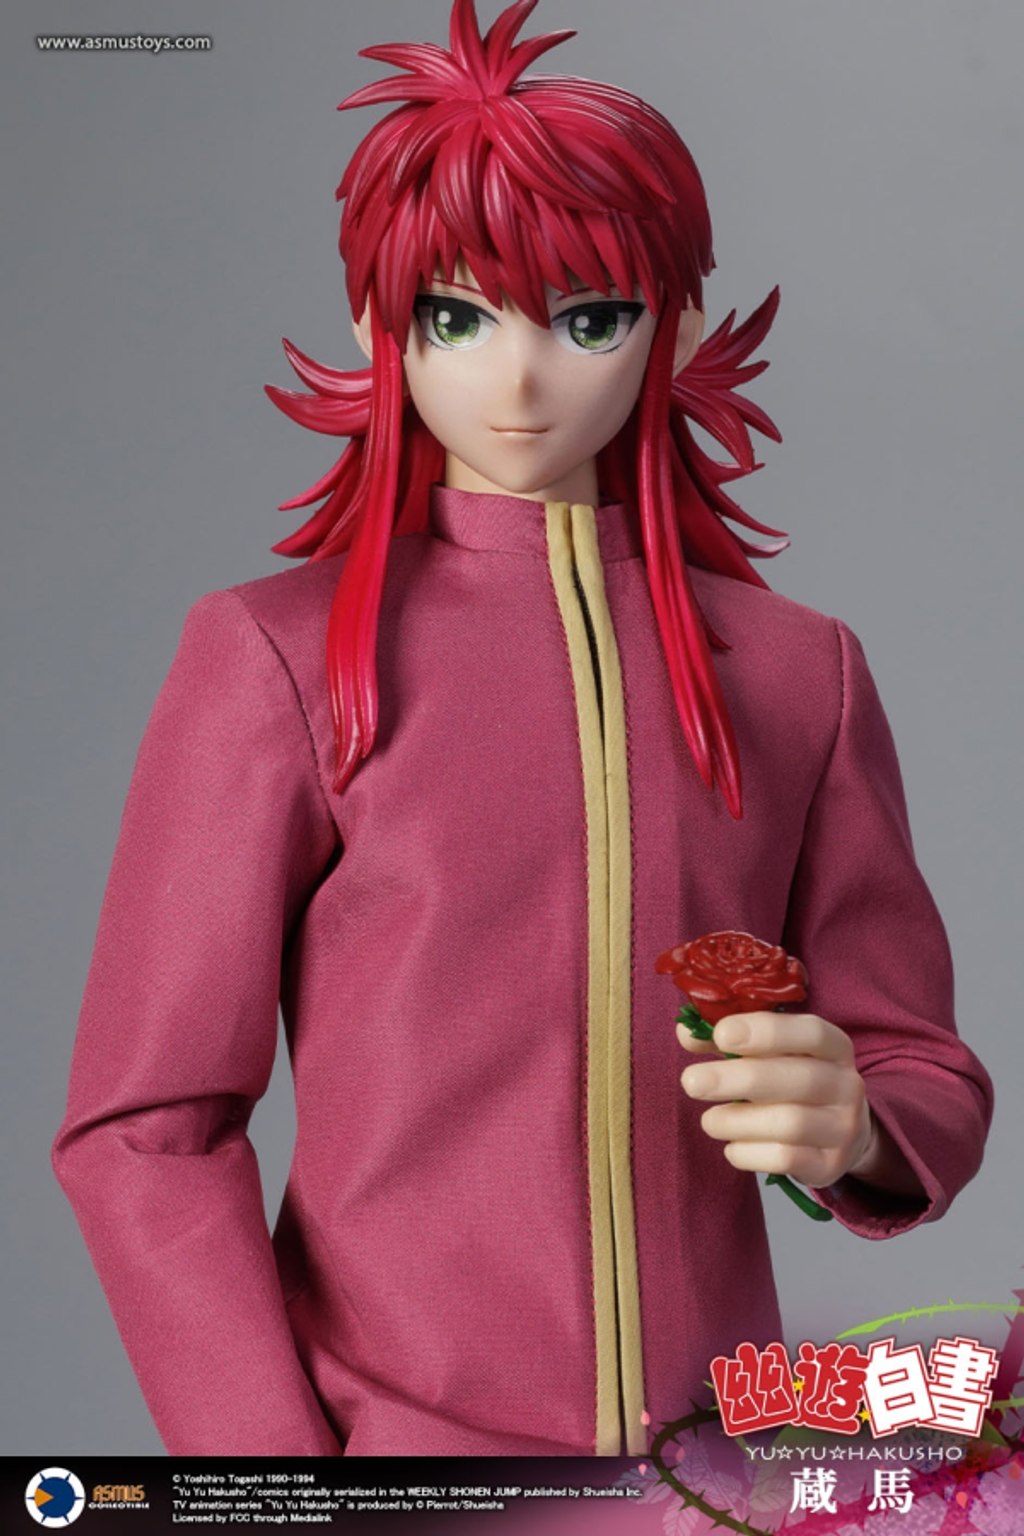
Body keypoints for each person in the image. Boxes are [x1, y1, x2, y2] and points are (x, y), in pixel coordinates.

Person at [53, 0, 991, 1458]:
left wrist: (859, 1125)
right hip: (401, 1461)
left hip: (719, 1471)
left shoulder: (799, 674)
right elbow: (147, 1131)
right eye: (456, 315)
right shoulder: (279, 656)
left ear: (673, 330)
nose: (520, 378)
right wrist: (275, 1477)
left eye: (589, 317)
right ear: (380, 327)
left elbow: (918, 1057)